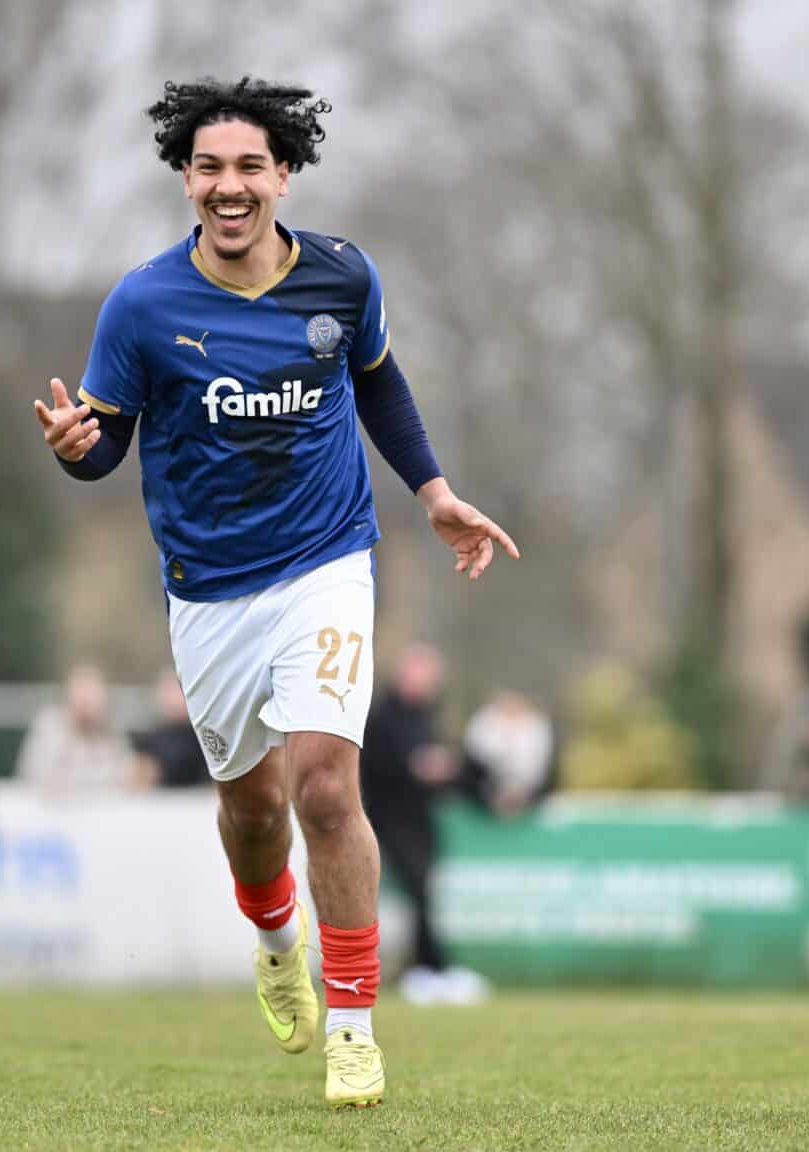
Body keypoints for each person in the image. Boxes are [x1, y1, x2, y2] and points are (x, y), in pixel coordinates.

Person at [30, 77, 518, 1109]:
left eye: (250, 165)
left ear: (283, 174)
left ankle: (353, 1027)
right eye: (209, 167)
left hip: (327, 564)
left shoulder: (342, 279)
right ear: (186, 180)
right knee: (251, 812)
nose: (229, 185)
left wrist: (431, 492)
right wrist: (78, 449)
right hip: (207, 592)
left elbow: (377, 381)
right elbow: (105, 440)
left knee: (326, 788)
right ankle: (270, 937)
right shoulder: (144, 303)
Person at [360, 644, 486, 1006]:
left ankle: (429, 968)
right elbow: (381, 765)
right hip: (387, 819)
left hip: (419, 820)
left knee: (423, 895)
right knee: (413, 892)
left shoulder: (428, 717)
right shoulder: (382, 716)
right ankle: (429, 969)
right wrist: (417, 767)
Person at [15, 663, 141, 793]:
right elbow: (34, 775)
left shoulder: (113, 733)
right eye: (80, 690)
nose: (85, 700)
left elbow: (129, 779)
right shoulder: (49, 727)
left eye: (92, 692)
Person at [459, 690, 555, 819]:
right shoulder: (483, 724)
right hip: (485, 797)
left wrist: (523, 793)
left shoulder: (538, 726)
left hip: (530, 797)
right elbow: (476, 762)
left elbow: (542, 768)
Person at [134, 668, 211, 788]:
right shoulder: (149, 739)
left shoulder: (204, 736)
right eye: (169, 691)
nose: (174, 697)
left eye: (178, 690)